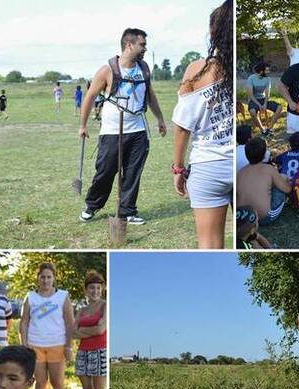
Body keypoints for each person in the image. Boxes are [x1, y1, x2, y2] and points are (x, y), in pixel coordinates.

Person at [78, 28, 167, 225]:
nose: (145, 48)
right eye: (142, 44)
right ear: (129, 44)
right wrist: (83, 125)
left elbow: (149, 95)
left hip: (138, 130)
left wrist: (160, 119)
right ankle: (92, 205)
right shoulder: (108, 70)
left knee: (133, 172)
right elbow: (90, 96)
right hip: (112, 131)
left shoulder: (144, 68)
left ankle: (127, 211)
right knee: (106, 171)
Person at [171, 0, 233, 248]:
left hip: (208, 166)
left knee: (209, 246)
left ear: (214, 32)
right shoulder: (232, 69)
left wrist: (178, 169)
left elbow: (183, 127)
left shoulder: (197, 71)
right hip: (239, 162)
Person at [19, 262, 75, 389]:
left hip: (57, 344)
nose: (45, 280)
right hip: (35, 345)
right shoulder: (30, 297)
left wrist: (69, 346)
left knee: (57, 382)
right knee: (40, 382)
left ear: (54, 278)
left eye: (49, 277)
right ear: (38, 278)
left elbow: (70, 322)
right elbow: (24, 323)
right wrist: (25, 347)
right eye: (42, 277)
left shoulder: (62, 296)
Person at [71, 271, 107, 389]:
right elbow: (72, 332)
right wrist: (89, 331)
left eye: (98, 288)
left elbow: (101, 330)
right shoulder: (82, 310)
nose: (95, 291)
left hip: (99, 351)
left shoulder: (105, 306)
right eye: (91, 288)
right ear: (86, 290)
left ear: (103, 289)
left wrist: (83, 330)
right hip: (83, 353)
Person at [236, 137, 292, 225]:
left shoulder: (240, 172)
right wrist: (287, 181)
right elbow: (287, 189)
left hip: (243, 218)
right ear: (264, 155)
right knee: (282, 178)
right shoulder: (269, 169)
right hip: (265, 217)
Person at [246, 62, 282, 135]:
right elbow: (251, 95)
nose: (268, 72)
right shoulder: (251, 78)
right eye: (267, 70)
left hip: (263, 99)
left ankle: (269, 129)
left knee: (279, 107)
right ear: (261, 71)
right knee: (252, 111)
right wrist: (259, 105)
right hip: (254, 100)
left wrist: (265, 104)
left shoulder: (268, 79)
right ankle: (262, 130)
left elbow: (267, 93)